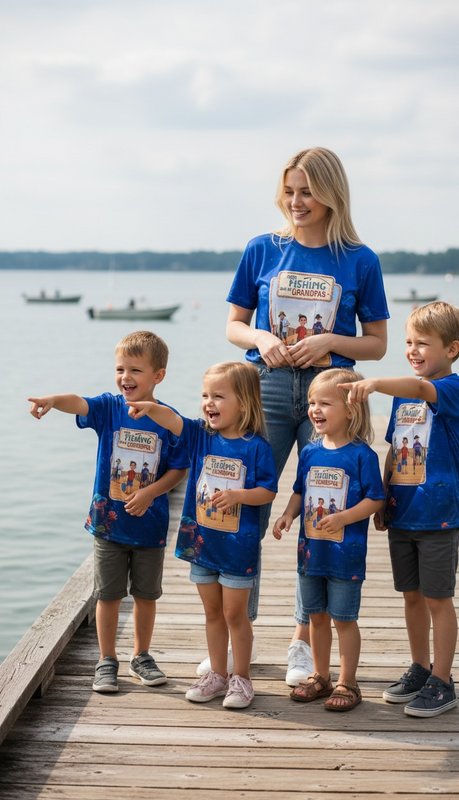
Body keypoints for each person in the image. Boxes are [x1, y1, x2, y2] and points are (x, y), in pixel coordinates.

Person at [225, 146, 389, 685]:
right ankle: (237, 639)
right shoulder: (262, 249)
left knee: (320, 514)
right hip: (267, 388)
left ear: (331, 195)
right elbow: (234, 326)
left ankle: (301, 641)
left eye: (308, 192)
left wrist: (329, 341)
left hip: (333, 394)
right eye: (290, 191)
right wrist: (262, 338)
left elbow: (377, 344)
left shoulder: (360, 260)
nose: (296, 202)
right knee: (247, 510)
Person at [28, 331, 189, 693]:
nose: (125, 377)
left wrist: (150, 492)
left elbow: (179, 469)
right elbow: (80, 403)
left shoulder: (168, 420)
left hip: (150, 527)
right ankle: (107, 659)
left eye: (135, 370)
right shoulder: (109, 408)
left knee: (146, 596)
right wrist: (53, 400)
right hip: (108, 525)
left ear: (158, 375)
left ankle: (141, 656)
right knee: (108, 595)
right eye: (120, 369)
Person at [341, 301, 459, 717]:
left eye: (423, 343)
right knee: (411, 596)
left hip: (438, 515)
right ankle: (420, 667)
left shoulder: (452, 389)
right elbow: (395, 448)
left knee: (438, 598)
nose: (413, 350)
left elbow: (419, 390)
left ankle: (443, 682)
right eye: (409, 342)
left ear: (451, 349)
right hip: (403, 512)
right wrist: (382, 496)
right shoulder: (403, 395)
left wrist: (374, 382)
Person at [126, 361, 277, 710]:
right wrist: (149, 407)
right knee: (212, 613)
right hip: (202, 545)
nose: (209, 402)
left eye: (219, 396)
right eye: (205, 395)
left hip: (237, 549)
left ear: (244, 403)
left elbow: (268, 491)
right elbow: (172, 420)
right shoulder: (199, 436)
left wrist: (239, 495)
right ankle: (218, 675)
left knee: (235, 615)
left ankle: (241, 678)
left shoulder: (257, 447)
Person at [272, 369, 384, 711]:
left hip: (345, 556)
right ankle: (320, 675)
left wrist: (344, 517)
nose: (314, 410)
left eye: (324, 403)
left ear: (350, 409)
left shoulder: (363, 455)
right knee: (316, 617)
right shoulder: (309, 451)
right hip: (311, 554)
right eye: (312, 403)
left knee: (344, 619)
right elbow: (299, 490)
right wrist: (288, 514)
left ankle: (348, 682)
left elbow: (375, 499)